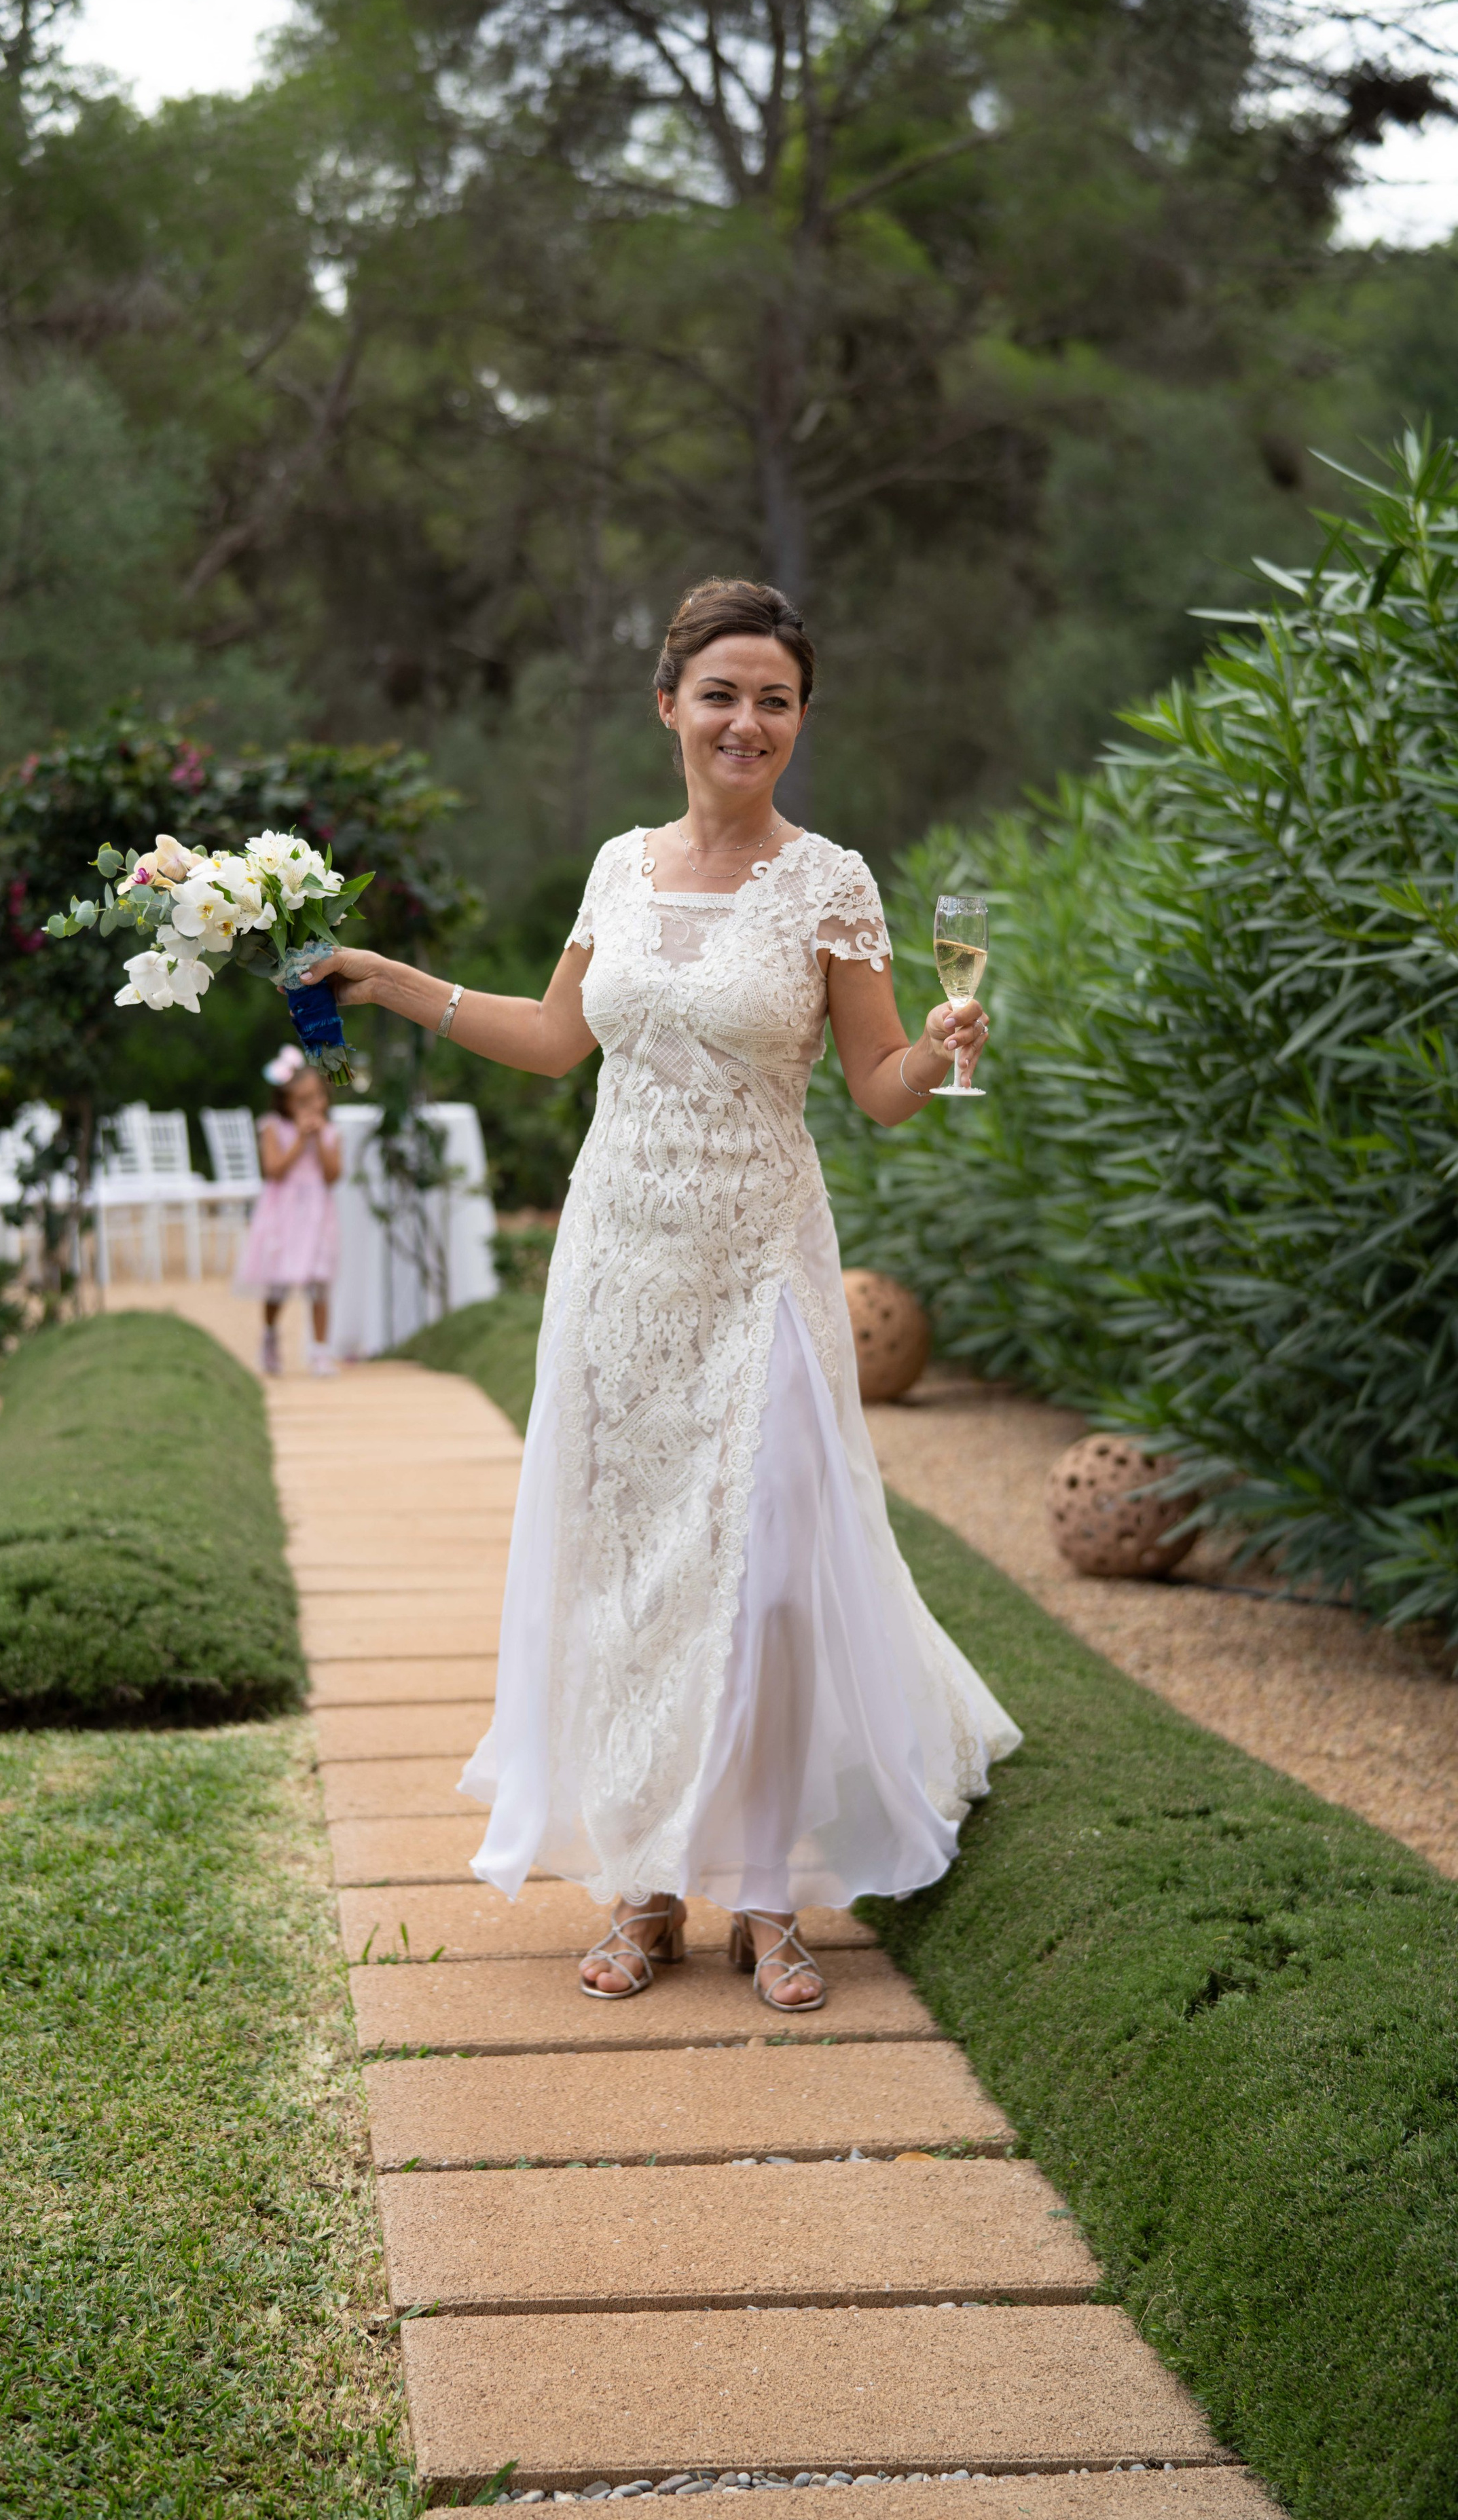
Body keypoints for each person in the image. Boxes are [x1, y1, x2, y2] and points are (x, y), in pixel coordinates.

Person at [297, 578, 1021, 2009]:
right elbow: (560, 1037)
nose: (745, 721)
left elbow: (874, 1092)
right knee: (627, 1575)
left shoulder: (833, 883)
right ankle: (641, 1889)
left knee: (758, 1575)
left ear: (799, 721)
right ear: (667, 706)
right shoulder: (619, 867)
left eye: (774, 699)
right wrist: (392, 984)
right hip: (618, 1256)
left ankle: (764, 1900)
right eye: (721, 693)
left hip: (757, 1258)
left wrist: (941, 1048)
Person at [236, 1048, 342, 1376]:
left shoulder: (331, 1133)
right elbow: (274, 1170)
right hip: (284, 1212)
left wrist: (319, 1139)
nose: (311, 1106)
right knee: (278, 1283)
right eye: (302, 1100)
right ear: (286, 1102)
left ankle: (321, 1351)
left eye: (316, 1097)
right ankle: (269, 1338)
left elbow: (332, 1175)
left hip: (316, 1213)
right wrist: (299, 1139)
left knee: (319, 1281)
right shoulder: (272, 1127)